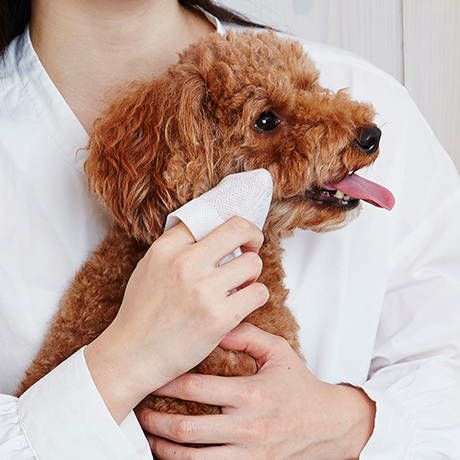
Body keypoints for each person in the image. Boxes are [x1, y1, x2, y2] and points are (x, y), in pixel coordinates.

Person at [0, 0, 459, 459]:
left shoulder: (374, 92)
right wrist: (122, 364)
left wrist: (349, 424)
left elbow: (447, 373)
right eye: (266, 121)